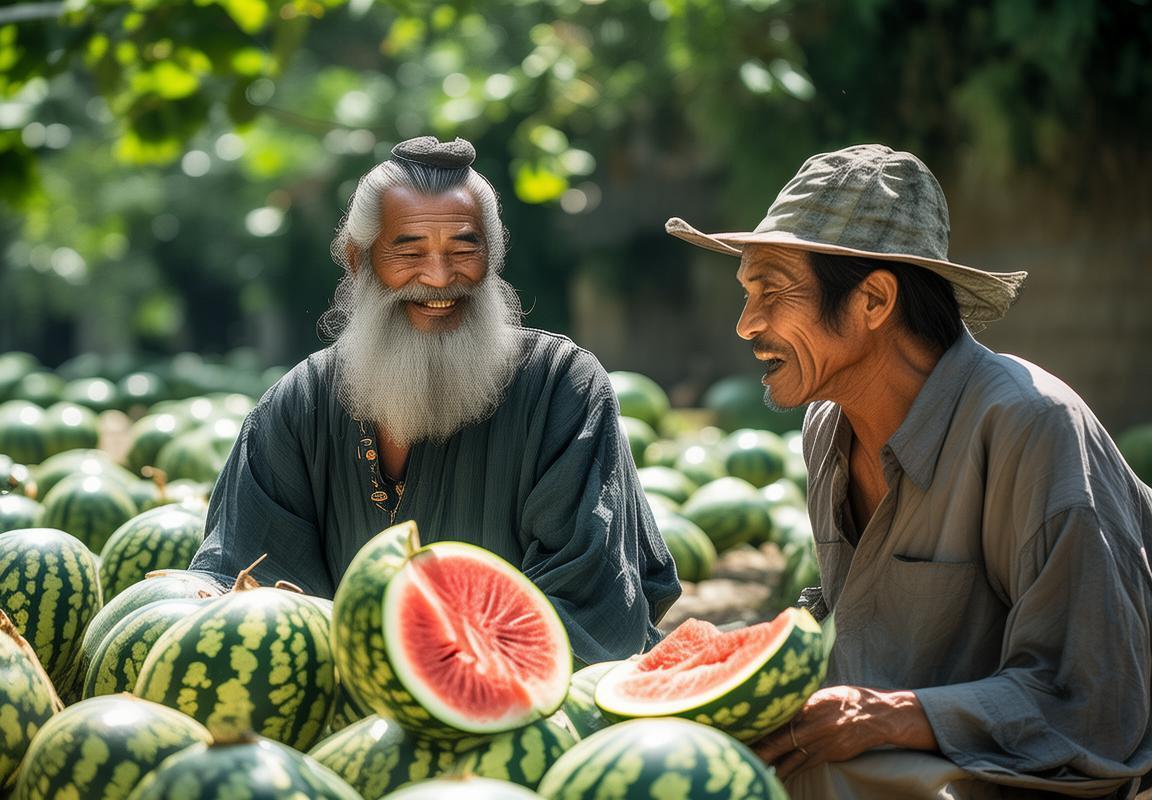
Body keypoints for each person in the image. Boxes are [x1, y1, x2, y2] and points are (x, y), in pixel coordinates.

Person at [665, 144, 1152, 799]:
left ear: (873, 300)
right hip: (905, 757)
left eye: (772, 293)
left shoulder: (1031, 427)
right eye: (748, 294)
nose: (747, 324)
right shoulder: (826, 428)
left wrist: (886, 717)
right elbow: (864, 622)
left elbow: (1095, 702)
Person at [189, 135, 680, 665]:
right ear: (359, 260)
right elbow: (245, 586)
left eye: (464, 249)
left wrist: (434, 670)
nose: (440, 277)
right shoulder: (299, 405)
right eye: (409, 250)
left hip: (532, 707)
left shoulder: (561, 387)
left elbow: (589, 600)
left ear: (492, 258)